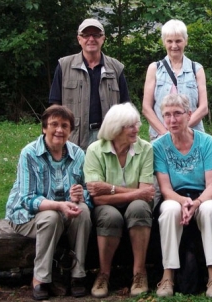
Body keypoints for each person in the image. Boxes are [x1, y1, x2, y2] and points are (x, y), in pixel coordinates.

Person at [4, 105, 92, 300]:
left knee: (83, 211)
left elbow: (88, 189)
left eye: (65, 125)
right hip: (27, 215)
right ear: (44, 128)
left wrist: (80, 194)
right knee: (51, 217)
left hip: (63, 211)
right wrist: (59, 205)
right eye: (54, 124)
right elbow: (27, 199)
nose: (59, 130)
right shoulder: (29, 153)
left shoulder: (78, 154)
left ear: (70, 130)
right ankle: (40, 278)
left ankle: (78, 275)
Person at [152, 94, 212, 298]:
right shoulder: (159, 146)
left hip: (204, 195)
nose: (172, 120)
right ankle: (168, 276)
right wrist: (183, 201)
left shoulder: (206, 142)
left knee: (210, 210)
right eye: (167, 115)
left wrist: (197, 202)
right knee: (169, 211)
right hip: (175, 196)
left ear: (189, 114)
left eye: (177, 114)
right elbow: (165, 189)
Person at [83, 103, 156, 298]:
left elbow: (146, 194)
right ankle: (104, 273)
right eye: (130, 126)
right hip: (106, 207)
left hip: (135, 206)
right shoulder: (94, 150)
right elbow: (98, 199)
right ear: (115, 128)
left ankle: (139, 273)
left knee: (140, 207)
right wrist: (133, 193)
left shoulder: (146, 148)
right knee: (109, 216)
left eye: (136, 124)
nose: (136, 129)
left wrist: (110, 188)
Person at [48, 18, 131, 150]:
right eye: (86, 35)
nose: (91, 39)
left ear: (103, 38)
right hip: (73, 137)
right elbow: (55, 106)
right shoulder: (64, 66)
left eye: (96, 35)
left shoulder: (116, 68)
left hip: (108, 137)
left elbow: (126, 106)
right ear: (79, 39)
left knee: (105, 171)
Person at [142, 19, 208, 142]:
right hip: (161, 138)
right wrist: (165, 134)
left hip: (192, 138)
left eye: (178, 41)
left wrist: (182, 130)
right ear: (164, 42)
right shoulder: (154, 69)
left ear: (186, 41)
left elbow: (203, 107)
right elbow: (146, 108)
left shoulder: (197, 69)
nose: (174, 46)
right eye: (169, 41)